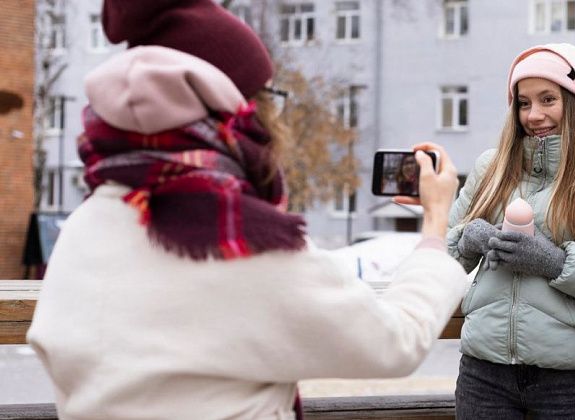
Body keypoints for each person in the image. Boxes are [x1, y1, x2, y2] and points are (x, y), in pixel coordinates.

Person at [26, 2, 468, 419]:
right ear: (236, 113)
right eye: (267, 96)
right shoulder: (239, 236)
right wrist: (434, 222)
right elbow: (393, 342)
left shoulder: (86, 224)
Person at [446, 43, 575, 419]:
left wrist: (555, 263)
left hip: (566, 386)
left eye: (548, 99)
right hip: (482, 377)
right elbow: (441, 263)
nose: (534, 115)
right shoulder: (491, 168)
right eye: (524, 103)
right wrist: (468, 239)